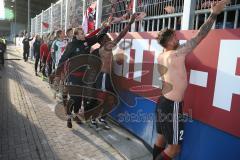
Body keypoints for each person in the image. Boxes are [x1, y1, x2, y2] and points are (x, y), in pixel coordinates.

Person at [153, 1, 230, 160]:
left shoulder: (162, 55)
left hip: (162, 101)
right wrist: (213, 14)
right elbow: (200, 35)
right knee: (174, 148)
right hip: (171, 106)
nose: (178, 39)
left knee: (161, 137)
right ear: (169, 41)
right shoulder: (177, 54)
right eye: (175, 37)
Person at [55, 23, 110, 128]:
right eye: (81, 33)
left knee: (79, 100)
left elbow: (98, 36)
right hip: (73, 76)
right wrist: (58, 74)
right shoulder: (71, 45)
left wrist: (107, 26)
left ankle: (75, 114)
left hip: (83, 76)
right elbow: (62, 59)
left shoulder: (86, 42)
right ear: (76, 35)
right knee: (74, 98)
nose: (84, 35)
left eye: (83, 33)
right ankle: (69, 116)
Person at [88, 13, 137, 130]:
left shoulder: (103, 48)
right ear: (103, 41)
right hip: (103, 76)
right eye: (107, 37)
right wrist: (129, 23)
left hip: (105, 76)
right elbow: (120, 36)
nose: (110, 38)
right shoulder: (106, 47)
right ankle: (93, 119)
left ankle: (101, 117)